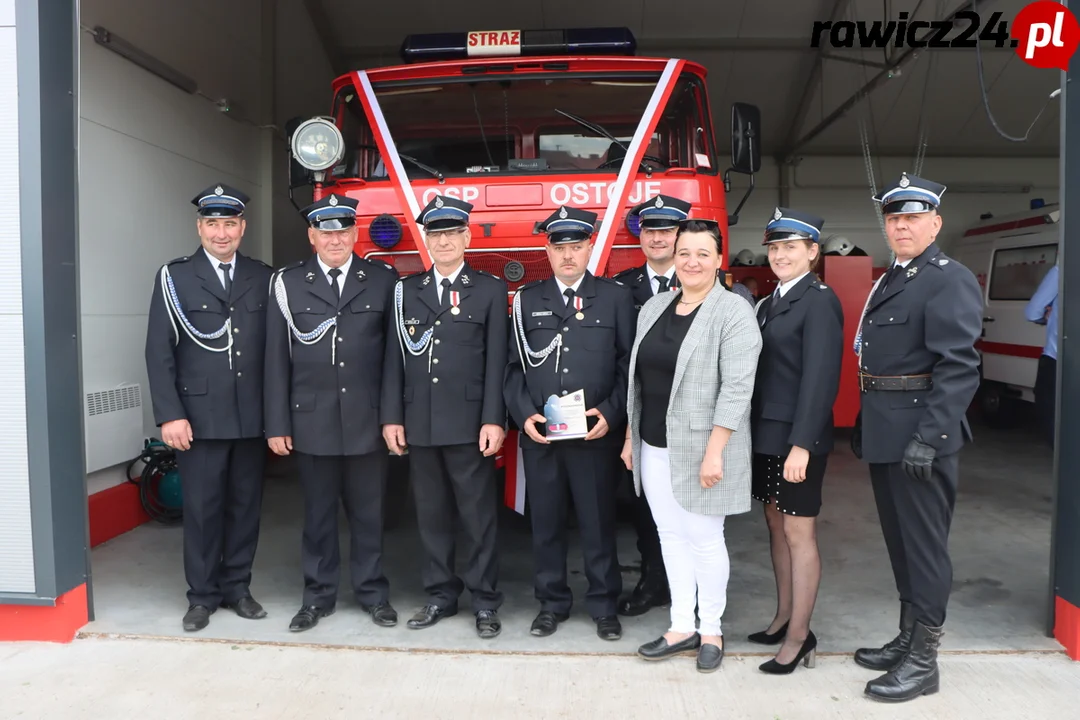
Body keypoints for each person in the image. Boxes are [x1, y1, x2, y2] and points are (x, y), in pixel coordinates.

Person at [850, 173, 983, 702]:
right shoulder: (896, 275)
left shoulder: (947, 277)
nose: (901, 226)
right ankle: (908, 639)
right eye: (893, 218)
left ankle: (925, 661)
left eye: (912, 217)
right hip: (887, 427)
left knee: (925, 549)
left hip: (921, 432)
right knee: (901, 544)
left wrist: (930, 435)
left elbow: (958, 365)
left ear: (936, 222)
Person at [623, 218, 762, 673]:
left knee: (704, 538)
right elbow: (638, 381)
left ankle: (712, 628)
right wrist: (630, 437)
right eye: (685, 253)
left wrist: (716, 451)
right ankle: (681, 625)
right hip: (654, 445)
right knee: (668, 535)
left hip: (706, 449)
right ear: (673, 257)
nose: (691, 261)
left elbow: (738, 388)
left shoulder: (733, 310)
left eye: (703, 253)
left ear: (718, 259)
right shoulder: (656, 307)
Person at [264, 193, 400, 633]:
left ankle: (373, 593)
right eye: (326, 232)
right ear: (311, 236)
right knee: (318, 516)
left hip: (366, 420)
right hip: (312, 420)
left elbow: (394, 359)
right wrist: (278, 423)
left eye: (343, 231)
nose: (335, 239)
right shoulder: (288, 284)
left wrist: (391, 417)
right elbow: (275, 360)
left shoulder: (382, 279)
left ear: (355, 234)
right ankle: (317, 597)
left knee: (369, 514)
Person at [145, 183, 272, 633]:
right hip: (196, 419)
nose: (222, 233)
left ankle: (237, 587)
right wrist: (169, 414)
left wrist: (276, 418)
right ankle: (201, 596)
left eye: (230, 224)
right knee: (202, 510)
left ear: (243, 227)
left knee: (245, 507)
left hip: (251, 417)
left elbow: (275, 355)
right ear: (199, 227)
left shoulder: (263, 276)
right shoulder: (174, 277)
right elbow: (159, 353)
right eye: (213, 224)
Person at [382, 195, 508, 639]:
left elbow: (497, 361)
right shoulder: (405, 291)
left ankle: (485, 601)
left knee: (478, 517)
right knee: (431, 514)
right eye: (436, 234)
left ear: (467, 237)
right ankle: (439, 594)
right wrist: (392, 417)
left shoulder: (490, 289)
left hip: (470, 423)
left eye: (452, 233)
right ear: (427, 240)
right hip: (420, 422)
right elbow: (393, 359)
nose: (444, 242)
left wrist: (494, 418)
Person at [505, 205, 634, 641]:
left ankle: (603, 605)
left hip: (594, 434)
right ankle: (551, 603)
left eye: (576, 246)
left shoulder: (614, 297)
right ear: (547, 249)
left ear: (590, 246)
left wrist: (612, 413)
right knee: (546, 523)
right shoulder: (527, 300)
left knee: (598, 523)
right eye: (559, 247)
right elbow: (512, 367)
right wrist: (524, 416)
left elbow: (626, 367)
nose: (568, 256)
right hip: (542, 436)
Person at [748, 208, 844, 674]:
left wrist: (803, 444)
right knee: (775, 524)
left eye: (790, 247)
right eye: (774, 247)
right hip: (767, 432)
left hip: (796, 438)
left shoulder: (819, 300)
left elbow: (820, 379)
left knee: (798, 532)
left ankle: (800, 635)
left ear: (812, 252)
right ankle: (783, 616)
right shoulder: (769, 302)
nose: (780, 255)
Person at [611, 194, 689, 617]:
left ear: (680, 236)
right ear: (639, 236)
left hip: (690, 415)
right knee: (646, 504)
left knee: (693, 507)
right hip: (640, 413)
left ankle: (691, 590)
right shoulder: (623, 288)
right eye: (650, 230)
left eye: (667, 230)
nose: (658, 238)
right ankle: (653, 580)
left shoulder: (702, 282)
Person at [1024, 262, 1059, 447]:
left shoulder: (1063, 270)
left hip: (1058, 361)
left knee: (1053, 420)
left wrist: (1047, 316)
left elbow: (1032, 312)